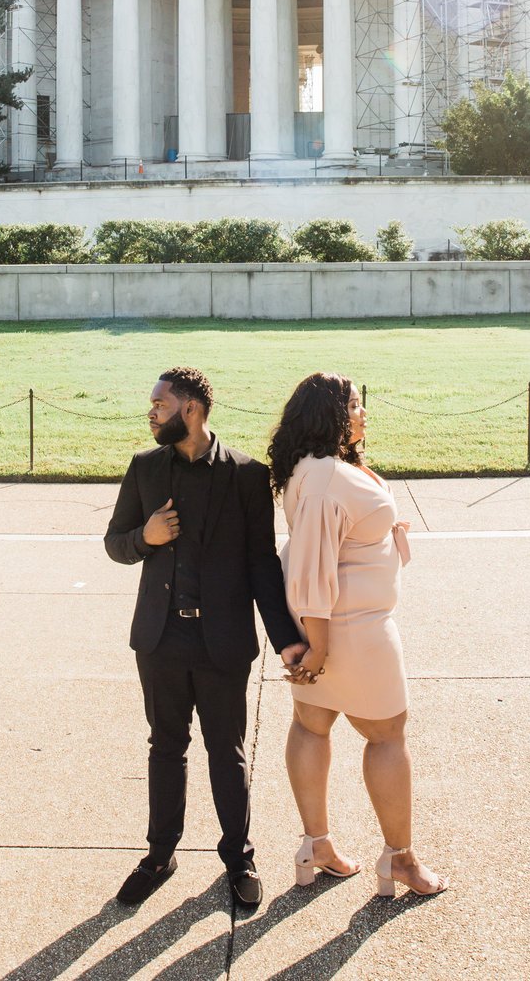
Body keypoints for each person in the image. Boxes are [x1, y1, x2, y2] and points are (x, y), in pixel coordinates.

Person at [104, 366, 306, 909]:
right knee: (165, 747)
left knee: (227, 751)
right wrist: (144, 539)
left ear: (190, 409)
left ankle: (239, 858)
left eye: (159, 404)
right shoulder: (145, 468)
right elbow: (114, 543)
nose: (150, 412)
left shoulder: (246, 475)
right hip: (160, 638)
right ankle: (159, 855)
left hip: (222, 643)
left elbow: (262, 565)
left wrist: (286, 637)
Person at [269, 371, 447, 899]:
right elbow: (310, 567)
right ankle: (401, 860)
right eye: (354, 405)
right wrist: (319, 647)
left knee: (311, 725)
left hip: (332, 626)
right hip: (351, 631)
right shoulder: (327, 477)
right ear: (331, 416)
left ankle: (316, 846)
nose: (363, 413)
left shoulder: (322, 466)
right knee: (387, 734)